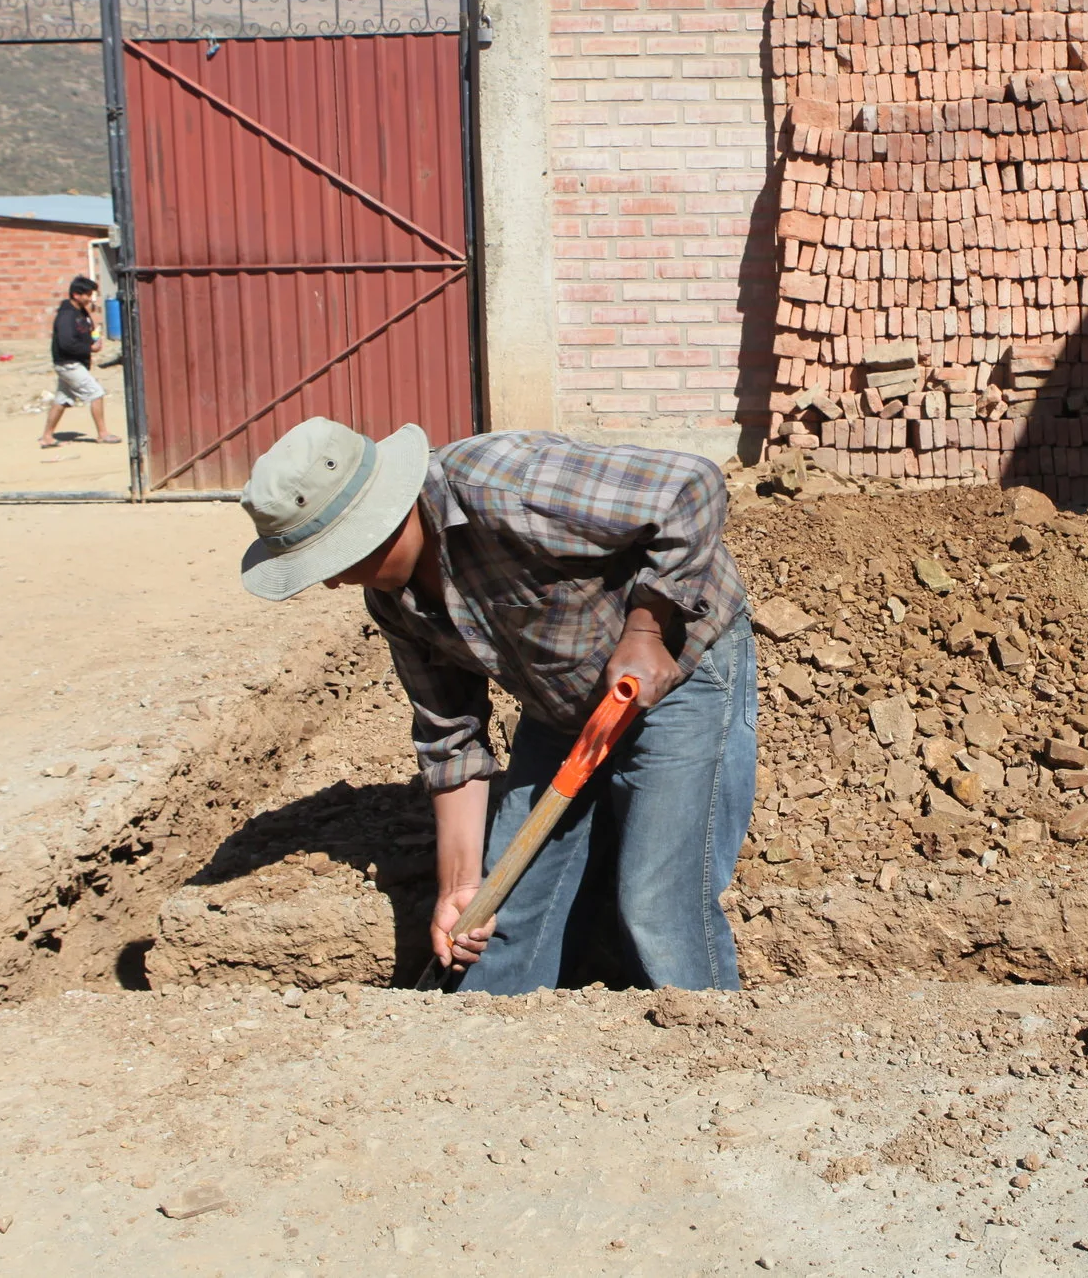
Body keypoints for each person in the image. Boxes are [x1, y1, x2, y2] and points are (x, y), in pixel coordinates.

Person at [236, 417, 756, 993]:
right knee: (501, 910)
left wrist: (648, 630)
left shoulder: (509, 483)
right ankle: (478, 1060)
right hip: (560, 703)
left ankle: (706, 1053)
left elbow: (692, 486)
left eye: (334, 561)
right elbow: (450, 740)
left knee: (656, 904)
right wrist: (461, 887)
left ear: (379, 520)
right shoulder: (395, 604)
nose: (333, 584)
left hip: (676, 670)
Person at [38, 276, 120, 449]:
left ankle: (47, 437)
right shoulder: (66, 316)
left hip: (74, 363)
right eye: (87, 294)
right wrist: (90, 348)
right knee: (96, 393)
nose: (90, 298)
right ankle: (103, 434)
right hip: (68, 363)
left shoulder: (81, 312)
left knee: (63, 399)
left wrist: (93, 339)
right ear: (76, 295)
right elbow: (66, 343)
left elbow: (85, 331)